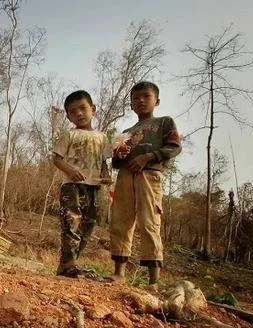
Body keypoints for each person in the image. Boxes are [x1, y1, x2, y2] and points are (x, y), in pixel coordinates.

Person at [109, 81, 181, 289]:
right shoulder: (127, 131)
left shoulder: (164, 123)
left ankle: (153, 281)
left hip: (149, 176)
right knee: (121, 220)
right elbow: (116, 161)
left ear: (156, 101)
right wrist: (117, 154)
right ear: (131, 105)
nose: (140, 100)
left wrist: (148, 156)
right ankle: (118, 273)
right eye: (135, 98)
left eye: (145, 96)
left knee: (149, 222)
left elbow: (174, 147)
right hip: (125, 177)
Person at [52, 90, 112, 277]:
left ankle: (67, 263)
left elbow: (104, 161)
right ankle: (70, 263)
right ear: (68, 116)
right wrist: (70, 170)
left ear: (93, 109)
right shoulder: (69, 135)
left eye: (83, 108)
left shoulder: (102, 137)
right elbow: (56, 158)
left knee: (88, 225)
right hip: (71, 186)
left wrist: (106, 175)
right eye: (72, 111)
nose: (78, 113)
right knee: (71, 223)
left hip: (94, 187)